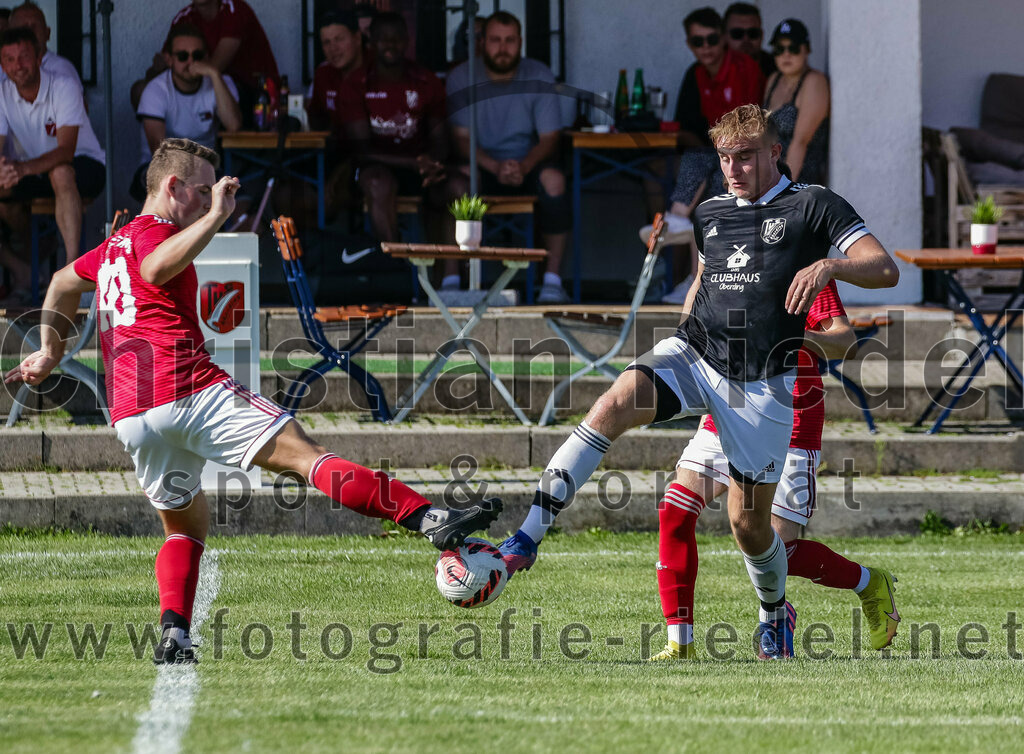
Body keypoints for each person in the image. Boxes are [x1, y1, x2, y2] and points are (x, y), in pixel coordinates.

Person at [3, 138, 503, 664]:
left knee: (185, 527)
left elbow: (60, 283)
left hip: (131, 413)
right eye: (202, 191)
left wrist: (49, 350)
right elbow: (153, 270)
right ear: (172, 187)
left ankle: (174, 633)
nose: (209, 199)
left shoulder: (115, 244)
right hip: (187, 389)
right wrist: (216, 216)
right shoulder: (155, 233)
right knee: (307, 458)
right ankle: (428, 518)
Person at [496, 105, 900, 659]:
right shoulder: (711, 214)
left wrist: (829, 269)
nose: (733, 169)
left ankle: (790, 610)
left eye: (746, 157)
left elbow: (880, 277)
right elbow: (704, 283)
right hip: (702, 361)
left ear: (775, 152)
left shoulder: (811, 214)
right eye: (725, 158)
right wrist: (682, 342)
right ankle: (529, 539)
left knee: (752, 531)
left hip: (770, 394)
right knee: (618, 410)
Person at [649, 281, 901, 660]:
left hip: (792, 417)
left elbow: (844, 342)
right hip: (728, 407)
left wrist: (786, 336)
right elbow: (693, 326)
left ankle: (866, 583)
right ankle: (679, 643)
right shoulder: (724, 258)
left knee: (775, 548)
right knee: (675, 510)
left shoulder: (805, 268)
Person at [444, 11, 571, 304]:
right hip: (481, 165)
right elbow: (460, 139)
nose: (503, 48)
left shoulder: (539, 74)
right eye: (495, 40)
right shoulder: (461, 76)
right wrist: (495, 166)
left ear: (521, 42)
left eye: (510, 40)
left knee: (555, 181)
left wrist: (523, 166)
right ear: (482, 42)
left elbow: (550, 138)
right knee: (454, 186)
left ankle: (552, 282)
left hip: (527, 164)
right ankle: (450, 280)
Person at [658, 7, 764, 305]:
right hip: (719, 152)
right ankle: (679, 224)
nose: (706, 47)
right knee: (696, 163)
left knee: (708, 195)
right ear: (689, 44)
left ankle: (693, 271)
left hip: (748, 153)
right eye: (698, 41)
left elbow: (751, 124)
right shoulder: (698, 73)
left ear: (723, 39)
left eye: (712, 39)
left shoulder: (744, 68)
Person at [0, 27, 105, 306]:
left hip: (86, 165)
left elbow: (66, 151)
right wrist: (4, 170)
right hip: (35, 169)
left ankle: (72, 274)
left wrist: (20, 169)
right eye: (9, 59)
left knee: (60, 172)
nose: (17, 65)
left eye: (24, 57)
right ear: (2, 65)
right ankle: (24, 268)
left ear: (38, 58)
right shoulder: (2, 91)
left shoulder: (63, 85)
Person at [339, 12, 448, 245]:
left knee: (458, 187)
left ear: (407, 41)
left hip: (421, 170)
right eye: (383, 38)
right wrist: (413, 162)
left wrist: (433, 164)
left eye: (396, 38)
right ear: (371, 41)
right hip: (375, 169)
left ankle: (449, 266)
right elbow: (361, 151)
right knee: (378, 184)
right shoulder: (356, 83)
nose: (390, 44)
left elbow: (440, 138)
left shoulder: (427, 81)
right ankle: (394, 260)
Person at [131, 24, 241, 202]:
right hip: (161, 168)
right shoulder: (155, 90)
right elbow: (159, 152)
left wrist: (214, 73)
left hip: (207, 167)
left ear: (206, 57)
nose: (191, 62)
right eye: (183, 56)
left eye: (197, 56)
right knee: (175, 189)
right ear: (169, 60)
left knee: (237, 198)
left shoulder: (220, 82)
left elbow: (233, 125)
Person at [763, 19, 830, 186]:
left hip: (796, 178)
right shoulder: (774, 79)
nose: (786, 54)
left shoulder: (814, 82)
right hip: (766, 173)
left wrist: (782, 191)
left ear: (807, 50)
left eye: (793, 48)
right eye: (779, 49)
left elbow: (800, 143)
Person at [306, 10, 364, 134]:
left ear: (357, 38)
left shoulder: (379, 69)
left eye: (339, 39)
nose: (333, 48)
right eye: (326, 42)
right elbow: (315, 120)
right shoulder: (323, 74)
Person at [3, 2, 82, 90]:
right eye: (23, 29)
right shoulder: (2, 69)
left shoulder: (61, 69)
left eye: (34, 27)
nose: (30, 33)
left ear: (47, 33)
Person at [724, 2, 775, 79]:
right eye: (737, 33)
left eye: (753, 33)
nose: (746, 39)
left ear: (762, 35)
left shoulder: (778, 69)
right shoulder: (710, 69)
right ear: (724, 36)